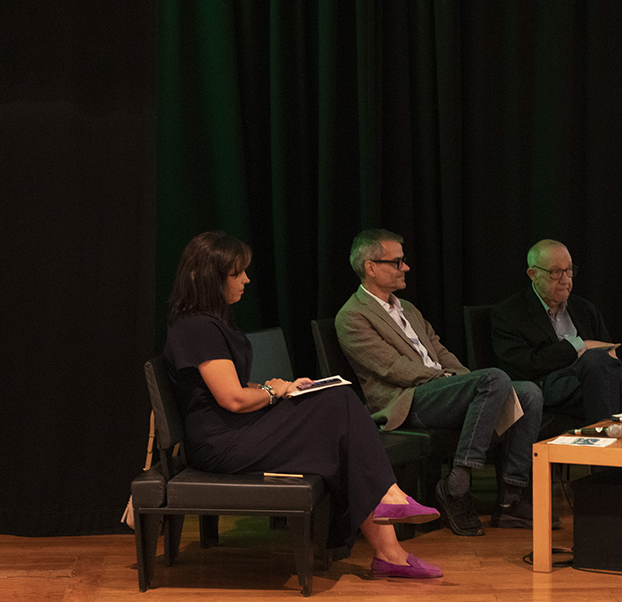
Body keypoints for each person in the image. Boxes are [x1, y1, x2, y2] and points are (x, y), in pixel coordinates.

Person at [163, 231, 442, 579]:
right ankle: (390, 520)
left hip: (234, 431)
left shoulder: (208, 322)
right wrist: (273, 391)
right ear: (212, 278)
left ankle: (390, 543)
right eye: (237, 273)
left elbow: (227, 386)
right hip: (221, 443)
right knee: (337, 406)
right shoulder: (197, 327)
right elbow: (232, 399)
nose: (246, 279)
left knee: (336, 407)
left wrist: (284, 388)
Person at [335, 229, 543, 537]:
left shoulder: (408, 309)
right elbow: (393, 368)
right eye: (397, 262)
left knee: (529, 393)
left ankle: (511, 500)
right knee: (494, 378)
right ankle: (457, 486)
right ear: (371, 267)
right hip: (405, 401)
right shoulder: (353, 316)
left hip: (438, 390)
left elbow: (440, 352)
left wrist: (461, 377)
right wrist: (449, 379)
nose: (405, 267)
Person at [491, 239, 622, 426]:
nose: (565, 280)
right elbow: (524, 365)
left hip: (590, 379)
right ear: (533, 274)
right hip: (546, 383)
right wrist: (577, 346)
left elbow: (606, 351)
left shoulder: (584, 309)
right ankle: (604, 436)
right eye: (555, 272)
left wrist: (606, 355)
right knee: (595, 360)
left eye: (569, 271)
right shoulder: (509, 314)